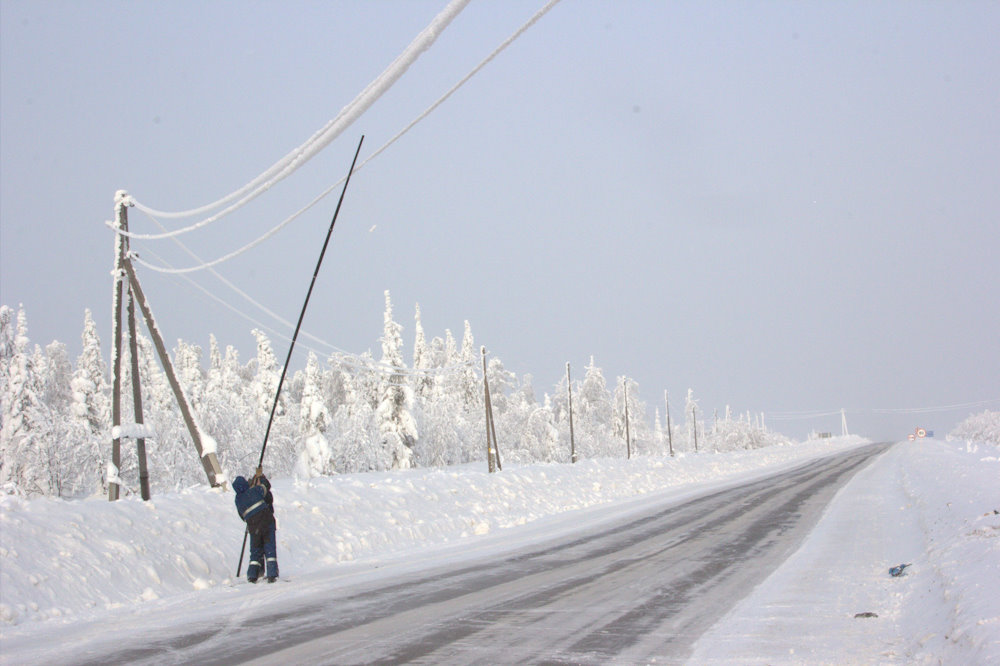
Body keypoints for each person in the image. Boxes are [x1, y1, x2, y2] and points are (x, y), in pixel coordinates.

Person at [233, 468, 279, 583]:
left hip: (253, 527)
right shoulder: (253, 491)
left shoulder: (238, 500)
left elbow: (242, 516)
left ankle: (252, 575)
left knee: (255, 551)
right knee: (269, 547)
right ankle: (272, 574)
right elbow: (265, 487)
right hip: (267, 522)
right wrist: (261, 477)